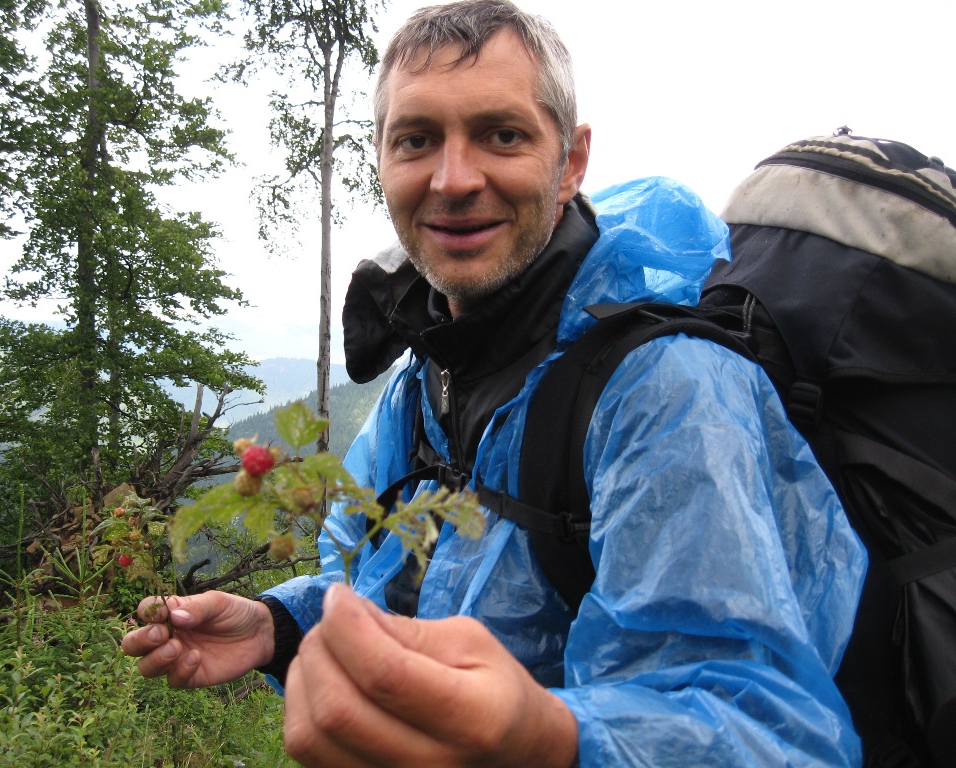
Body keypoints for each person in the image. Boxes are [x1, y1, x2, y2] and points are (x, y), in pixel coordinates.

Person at [121, 1, 868, 765]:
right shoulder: (427, 378)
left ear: (570, 162)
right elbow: (394, 592)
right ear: (381, 160)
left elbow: (767, 728)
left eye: (502, 135)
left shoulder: (666, 392)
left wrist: (547, 734)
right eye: (417, 139)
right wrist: (279, 626)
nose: (453, 180)